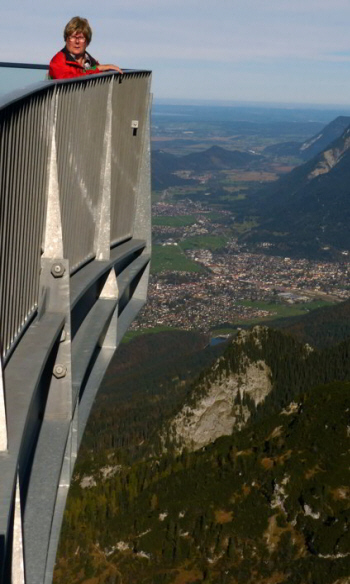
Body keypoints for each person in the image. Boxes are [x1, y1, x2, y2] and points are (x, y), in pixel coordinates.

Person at [49, 16, 123, 79]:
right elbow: (66, 80)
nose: (77, 41)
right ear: (66, 39)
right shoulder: (58, 60)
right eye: (73, 37)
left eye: (81, 38)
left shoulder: (92, 63)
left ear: (87, 42)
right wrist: (97, 69)